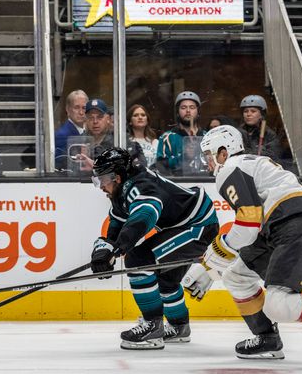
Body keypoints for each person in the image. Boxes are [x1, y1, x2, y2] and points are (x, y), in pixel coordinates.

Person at [182, 125, 302, 359]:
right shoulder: (251, 163)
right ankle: (267, 338)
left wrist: (214, 255)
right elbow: (252, 228)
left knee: (278, 304)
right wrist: (209, 270)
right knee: (236, 277)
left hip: (291, 223)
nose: (208, 163)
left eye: (209, 155)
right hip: (284, 223)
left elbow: (247, 225)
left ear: (223, 152)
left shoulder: (230, 168)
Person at [89, 147, 219, 349]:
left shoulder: (140, 186)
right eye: (97, 179)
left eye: (103, 179)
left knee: (139, 260)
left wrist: (119, 248)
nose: (100, 186)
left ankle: (153, 328)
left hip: (198, 225)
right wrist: (105, 249)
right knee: (166, 280)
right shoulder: (122, 191)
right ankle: (179, 327)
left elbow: (144, 218)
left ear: (117, 176)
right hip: (187, 223)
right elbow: (116, 224)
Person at [155, 91, 206, 175]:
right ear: (178, 112)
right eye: (183, 107)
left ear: (198, 111)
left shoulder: (207, 137)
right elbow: (161, 167)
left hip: (206, 185)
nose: (188, 111)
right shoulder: (167, 138)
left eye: (192, 107)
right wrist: (184, 156)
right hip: (178, 185)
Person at [66, 98, 113, 174]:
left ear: (107, 119)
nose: (95, 121)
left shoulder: (117, 141)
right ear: (86, 120)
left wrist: (96, 166)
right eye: (91, 117)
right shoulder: (77, 142)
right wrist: (79, 165)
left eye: (99, 117)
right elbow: (69, 171)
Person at [238, 95, 283, 161]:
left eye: (253, 111)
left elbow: (274, 155)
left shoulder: (269, 134)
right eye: (245, 111)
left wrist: (249, 152)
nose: (248, 114)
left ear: (262, 114)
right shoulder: (237, 133)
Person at [54, 89, 87, 163]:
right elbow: (60, 164)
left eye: (84, 108)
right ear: (68, 109)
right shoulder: (62, 135)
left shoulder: (87, 131)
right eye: (76, 107)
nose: (81, 112)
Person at [126, 104, 158, 169]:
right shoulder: (126, 142)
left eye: (143, 115)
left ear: (147, 120)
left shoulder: (156, 142)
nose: (140, 117)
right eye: (135, 115)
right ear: (130, 122)